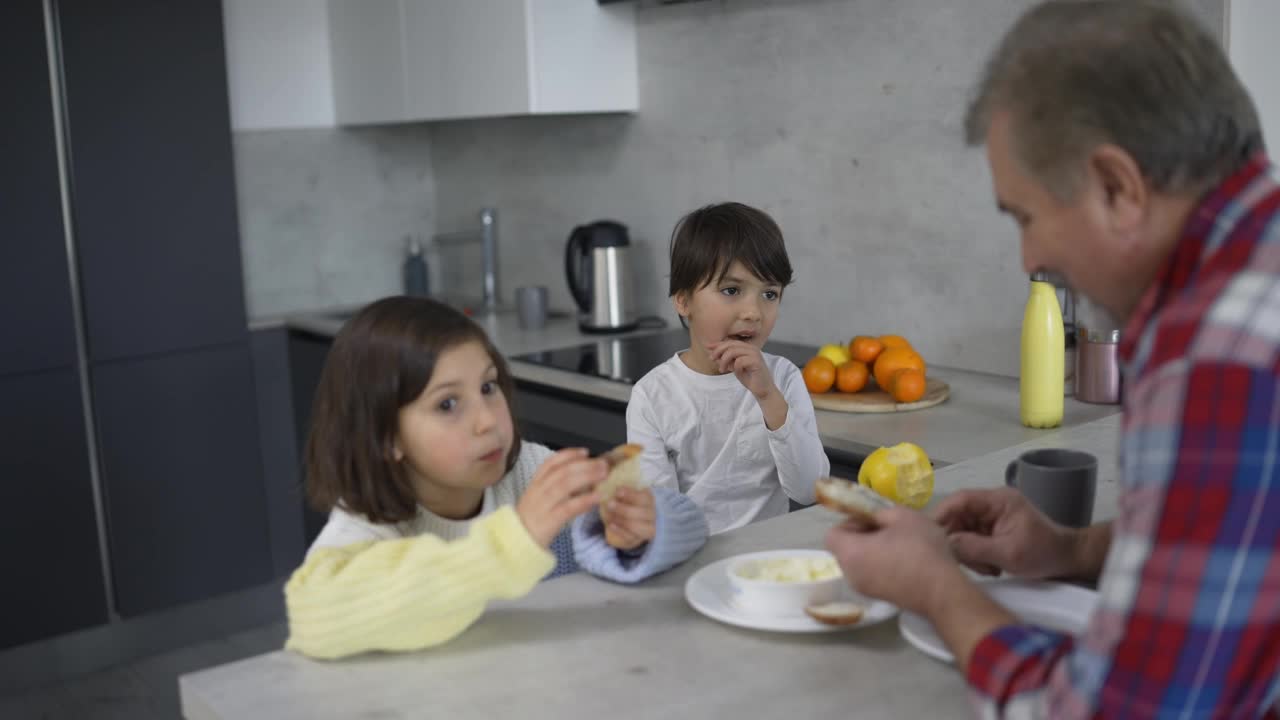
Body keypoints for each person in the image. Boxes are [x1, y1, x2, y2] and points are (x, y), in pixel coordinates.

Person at [826, 2, 1280, 717]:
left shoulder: (1216, 358)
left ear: (1117, 187)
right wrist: (1073, 550)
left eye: (1026, 217)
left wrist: (941, 590)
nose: (1030, 258)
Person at [285, 297, 708, 659]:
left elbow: (692, 525)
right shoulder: (366, 526)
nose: (487, 420)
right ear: (386, 436)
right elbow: (312, 616)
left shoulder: (527, 470)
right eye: (448, 404)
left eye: (488, 388)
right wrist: (515, 540)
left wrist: (648, 526)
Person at [627, 202, 830, 534]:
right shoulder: (652, 396)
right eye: (731, 290)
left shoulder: (783, 378)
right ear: (683, 300)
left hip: (769, 558)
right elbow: (659, 516)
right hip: (690, 559)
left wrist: (768, 397)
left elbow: (810, 490)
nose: (753, 312)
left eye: (769, 293)